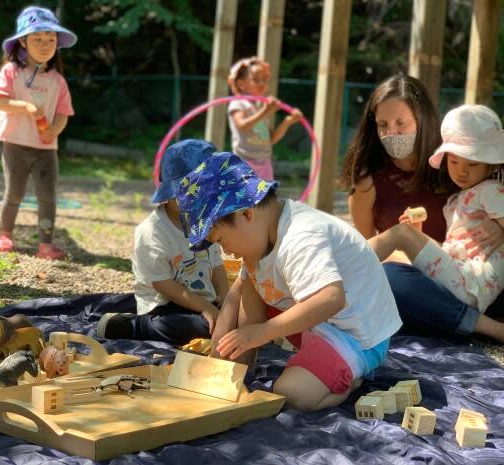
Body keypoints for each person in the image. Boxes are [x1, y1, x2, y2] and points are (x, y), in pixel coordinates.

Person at [176, 152, 402, 412]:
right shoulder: (258, 240)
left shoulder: (300, 235)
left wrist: (262, 333)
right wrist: (221, 367)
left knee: (292, 393)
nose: (226, 252)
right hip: (317, 322)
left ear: (246, 214)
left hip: (355, 335)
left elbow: (331, 298)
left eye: (221, 240)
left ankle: (350, 379)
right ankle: (320, 364)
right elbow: (245, 307)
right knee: (243, 285)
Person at [371, 105, 504, 342]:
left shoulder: (491, 192)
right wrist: (420, 236)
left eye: (472, 164)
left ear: (491, 164)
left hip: (473, 282)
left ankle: (344, 260)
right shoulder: (460, 198)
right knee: (392, 270)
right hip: (461, 278)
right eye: (454, 162)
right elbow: (452, 252)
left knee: (400, 235)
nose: (461, 172)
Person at [96, 140, 229, 346]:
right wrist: (205, 307)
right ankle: (136, 326)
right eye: (190, 196)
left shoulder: (205, 224)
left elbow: (217, 266)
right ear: (171, 195)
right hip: (165, 306)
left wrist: (225, 298)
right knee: (199, 327)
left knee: (235, 318)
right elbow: (163, 284)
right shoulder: (152, 232)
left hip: (203, 301)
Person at [0, 6, 76, 259]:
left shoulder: (57, 80)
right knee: (14, 193)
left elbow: (63, 113)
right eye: (37, 38)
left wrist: (53, 130)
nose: (45, 44)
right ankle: (5, 235)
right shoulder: (11, 72)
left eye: (51, 39)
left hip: (46, 149)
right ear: (23, 41)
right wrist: (26, 107)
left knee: (47, 196)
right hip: (15, 143)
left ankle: (45, 245)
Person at [340, 74, 452, 243]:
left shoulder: (452, 163)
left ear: (423, 120)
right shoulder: (367, 181)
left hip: (456, 265)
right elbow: (367, 250)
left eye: (401, 123)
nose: (391, 133)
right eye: (383, 125)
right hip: (397, 267)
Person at [226, 56, 302, 180]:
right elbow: (242, 126)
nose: (262, 84)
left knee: (266, 198)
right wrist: (265, 111)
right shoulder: (238, 103)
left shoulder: (261, 105)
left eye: (265, 80)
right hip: (244, 163)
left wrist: (288, 122)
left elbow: (270, 139)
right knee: (246, 197)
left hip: (264, 163)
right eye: (256, 80)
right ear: (241, 84)